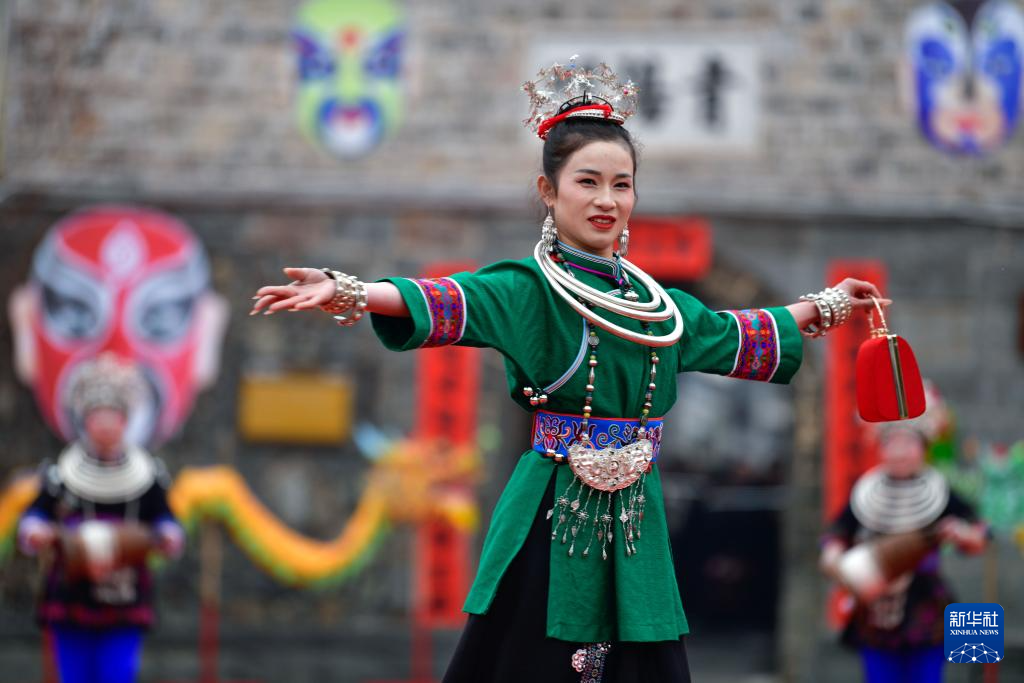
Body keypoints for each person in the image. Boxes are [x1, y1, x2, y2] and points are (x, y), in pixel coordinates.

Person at [251, 59, 887, 683]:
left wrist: (828, 305)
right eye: (587, 182)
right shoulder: (527, 289)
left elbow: (735, 333)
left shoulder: (660, 308)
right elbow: (449, 298)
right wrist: (352, 291)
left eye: (622, 184)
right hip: (554, 510)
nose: (607, 200)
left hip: (634, 516)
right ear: (549, 192)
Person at [17, 353, 185, 683]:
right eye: (98, 418)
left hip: (124, 593)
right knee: (74, 675)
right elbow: (36, 514)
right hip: (71, 592)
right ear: (86, 422)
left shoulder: (148, 476)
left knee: (117, 673)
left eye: (113, 418)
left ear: (124, 422)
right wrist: (36, 530)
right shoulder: (60, 475)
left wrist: (166, 535)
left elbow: (165, 517)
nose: (106, 426)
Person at [819, 393, 989, 683]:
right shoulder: (865, 493)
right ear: (881, 448)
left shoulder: (940, 491)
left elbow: (979, 531)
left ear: (923, 448)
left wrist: (963, 535)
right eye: (892, 444)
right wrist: (834, 556)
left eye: (908, 444)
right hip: (875, 610)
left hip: (928, 606)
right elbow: (836, 533)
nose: (900, 452)